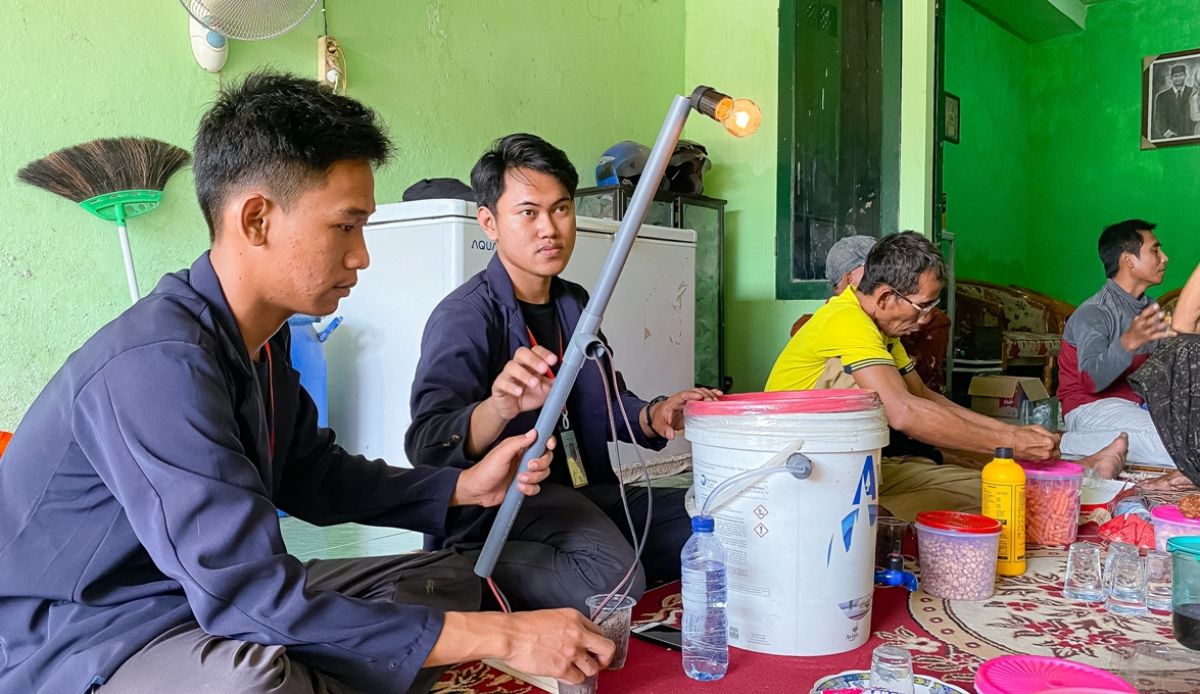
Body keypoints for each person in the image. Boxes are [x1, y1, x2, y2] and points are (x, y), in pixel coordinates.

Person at [0, 72, 615, 694]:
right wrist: (502, 637)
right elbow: (245, 593)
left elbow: (314, 475)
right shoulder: (156, 365)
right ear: (258, 220)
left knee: (446, 582)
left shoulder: (264, 342)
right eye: (345, 226)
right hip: (94, 631)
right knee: (256, 681)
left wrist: (461, 486)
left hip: (199, 597)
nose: (362, 256)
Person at [407, 133, 720, 602]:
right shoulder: (465, 316)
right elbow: (427, 443)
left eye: (561, 208)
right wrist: (496, 407)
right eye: (528, 213)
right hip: (502, 508)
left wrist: (654, 414)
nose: (549, 228)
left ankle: (596, 568)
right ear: (489, 223)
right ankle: (459, 571)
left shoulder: (573, 303)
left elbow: (604, 401)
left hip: (581, 491)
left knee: (712, 528)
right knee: (612, 581)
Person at [765, 232, 1127, 519]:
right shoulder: (845, 320)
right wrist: (1011, 443)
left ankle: (1074, 475)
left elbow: (923, 395)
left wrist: (1010, 437)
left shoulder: (879, 328)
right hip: (807, 476)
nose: (925, 319)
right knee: (990, 505)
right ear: (887, 295)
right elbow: (904, 412)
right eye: (923, 306)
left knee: (992, 489)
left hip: (853, 466)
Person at [1057, 220, 1175, 468]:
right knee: (1180, 449)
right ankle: (1066, 444)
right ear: (1128, 261)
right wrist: (1128, 342)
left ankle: (1114, 443)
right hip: (1090, 409)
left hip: (1136, 407)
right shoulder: (1094, 313)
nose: (1164, 258)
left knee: (1188, 438)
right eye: (1155, 250)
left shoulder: (1147, 309)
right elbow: (1091, 380)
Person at [1153, 64, 1196, 139]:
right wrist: (1166, 132)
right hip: (1169, 137)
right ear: (1171, 78)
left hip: (1192, 136)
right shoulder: (1161, 97)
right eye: (1175, 76)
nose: (1178, 78)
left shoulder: (1194, 93)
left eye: (1181, 75)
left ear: (1186, 75)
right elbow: (1158, 118)